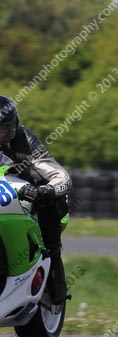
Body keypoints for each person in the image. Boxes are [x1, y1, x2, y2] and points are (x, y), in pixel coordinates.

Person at [0, 95, 71, 304]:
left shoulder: (25, 140)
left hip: (20, 192)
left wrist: (45, 191)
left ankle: (54, 262)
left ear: (13, 128)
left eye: (1, 129)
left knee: (51, 200)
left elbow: (61, 176)